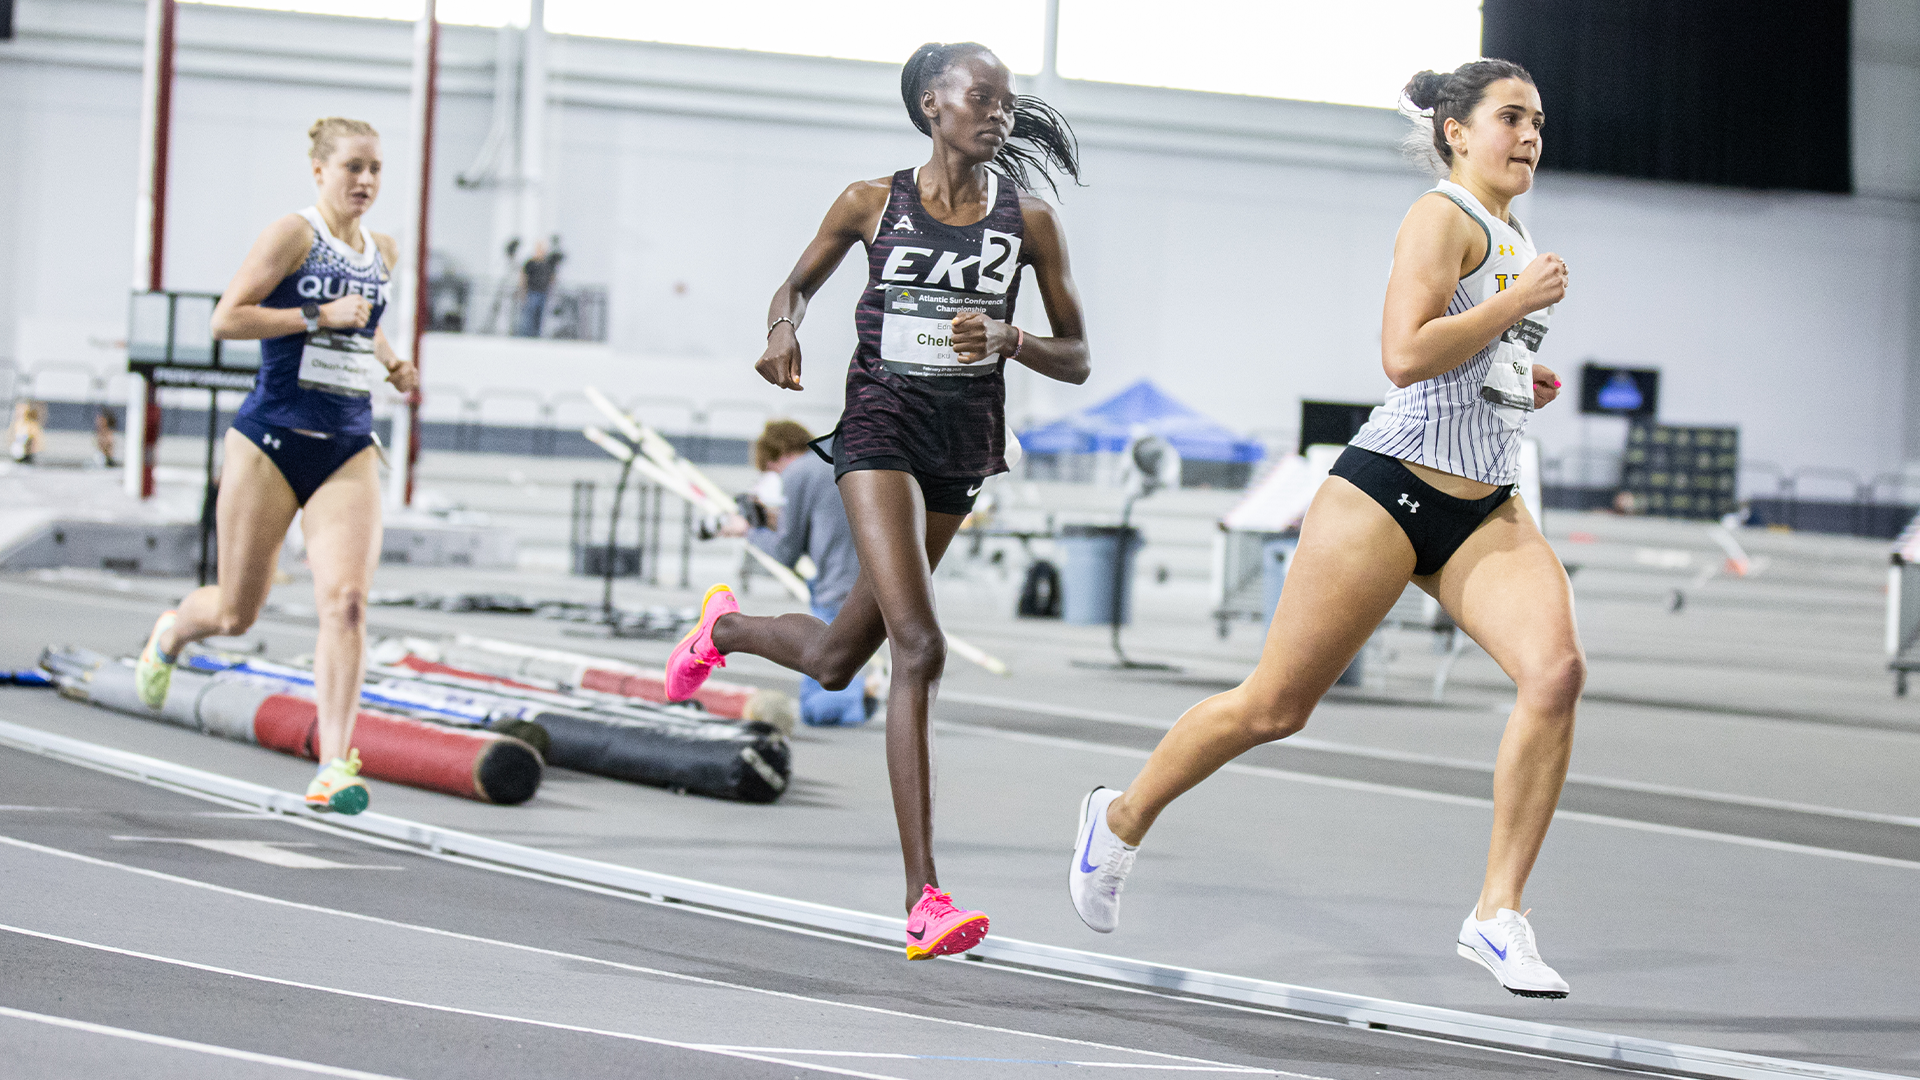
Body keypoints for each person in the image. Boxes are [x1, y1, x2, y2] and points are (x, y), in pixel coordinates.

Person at [1068, 60, 1581, 1000]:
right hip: (1385, 492)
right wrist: (1515, 305)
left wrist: (1518, 375)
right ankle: (1122, 816)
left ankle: (1498, 913)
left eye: (1540, 121)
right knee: (1275, 708)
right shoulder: (1441, 217)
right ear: (1457, 131)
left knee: (1556, 673)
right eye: (1511, 117)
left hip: (1484, 500)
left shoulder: (1512, 231)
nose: (1531, 135)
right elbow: (1401, 356)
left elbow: (1462, 363)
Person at [666, 41, 1091, 960]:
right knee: (921, 645)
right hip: (877, 435)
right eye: (982, 98)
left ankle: (723, 632)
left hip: (962, 449)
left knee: (830, 661)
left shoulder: (1031, 221)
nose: (999, 115)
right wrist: (782, 333)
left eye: (1008, 104)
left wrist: (1011, 337)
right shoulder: (871, 202)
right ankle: (924, 897)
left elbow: (1079, 355)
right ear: (931, 106)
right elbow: (795, 287)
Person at [133, 116, 418, 815]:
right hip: (270, 440)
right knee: (235, 612)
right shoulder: (293, 233)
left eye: (376, 169)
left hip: (348, 444)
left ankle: (332, 765)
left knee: (346, 602)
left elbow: (367, 315)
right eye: (353, 167)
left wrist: (391, 360)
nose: (367, 181)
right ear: (319, 171)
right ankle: (173, 630)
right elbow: (228, 318)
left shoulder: (383, 250)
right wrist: (317, 316)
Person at [722, 420, 873, 727]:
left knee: (822, 706)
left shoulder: (798, 472)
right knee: (840, 666)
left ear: (779, 456)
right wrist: (769, 520)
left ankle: (860, 699)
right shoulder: (833, 461)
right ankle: (864, 695)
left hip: (838, 585)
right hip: (867, 578)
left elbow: (786, 551)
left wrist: (747, 531)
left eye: (771, 469)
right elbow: (819, 526)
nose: (776, 476)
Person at [515, 238, 563, 337]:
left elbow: (552, 278)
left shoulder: (548, 264)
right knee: (528, 316)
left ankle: (536, 336)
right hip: (532, 292)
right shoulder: (530, 263)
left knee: (539, 317)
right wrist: (522, 291)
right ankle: (525, 336)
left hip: (543, 293)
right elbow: (523, 277)